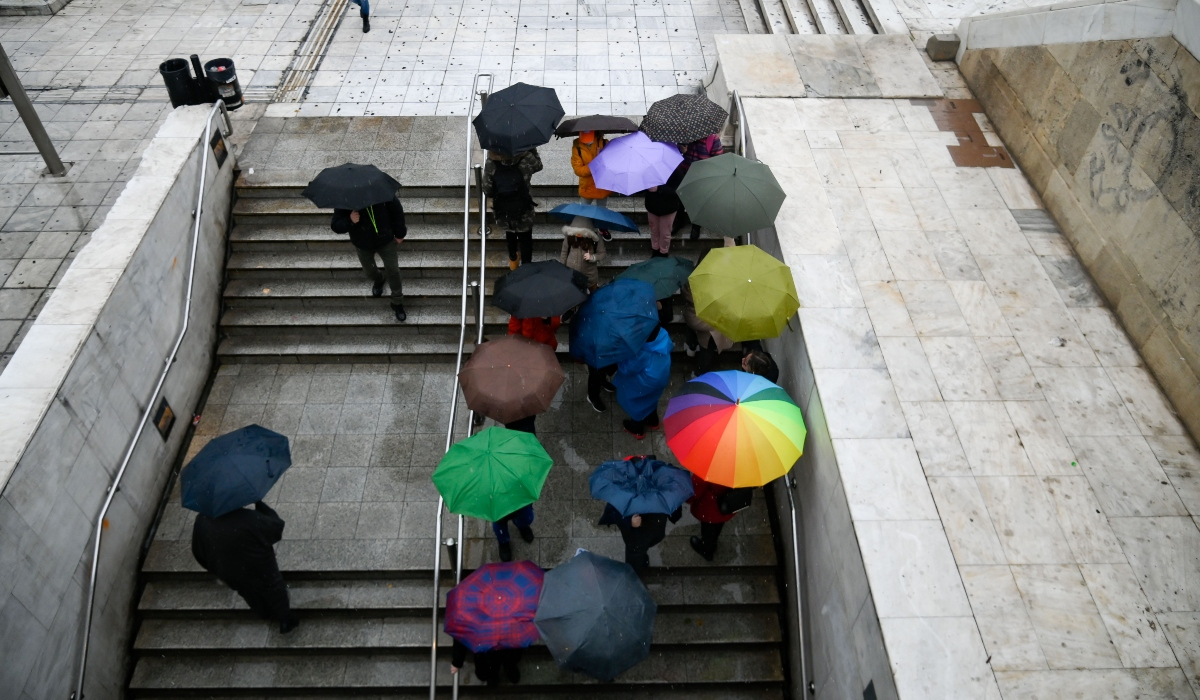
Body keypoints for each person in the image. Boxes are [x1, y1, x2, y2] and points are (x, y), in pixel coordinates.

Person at [191, 500, 299, 633]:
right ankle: (285, 620)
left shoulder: (202, 520)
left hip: (229, 571)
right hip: (258, 566)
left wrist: (214, 568)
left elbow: (198, 551)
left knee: (248, 592)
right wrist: (261, 506)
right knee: (274, 588)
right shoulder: (249, 519)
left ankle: (264, 613)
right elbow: (276, 527)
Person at [331, 194, 407, 322]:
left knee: (393, 270)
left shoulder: (380, 192)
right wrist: (349, 220)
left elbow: (397, 211)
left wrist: (400, 233)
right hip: (362, 244)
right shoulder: (345, 199)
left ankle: (397, 302)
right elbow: (335, 225)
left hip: (386, 240)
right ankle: (379, 279)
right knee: (369, 271)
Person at [484, 148, 543, 270]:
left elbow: (487, 190)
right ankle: (526, 267)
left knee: (510, 234)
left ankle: (513, 261)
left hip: (503, 210)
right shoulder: (525, 158)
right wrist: (531, 148)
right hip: (524, 209)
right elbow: (539, 166)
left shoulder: (491, 162)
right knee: (526, 239)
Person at [614, 325, 673, 439]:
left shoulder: (642, 352)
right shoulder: (663, 334)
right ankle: (653, 421)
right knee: (651, 399)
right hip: (661, 376)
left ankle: (637, 429)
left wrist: (619, 361)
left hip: (645, 383)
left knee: (637, 402)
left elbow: (628, 369)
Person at [599, 502, 682, 575]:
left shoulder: (663, 491)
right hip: (635, 537)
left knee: (641, 550)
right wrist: (629, 522)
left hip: (654, 531)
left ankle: (641, 562)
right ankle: (634, 572)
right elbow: (614, 512)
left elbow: (675, 509)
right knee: (635, 557)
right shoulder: (624, 491)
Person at [679, 133, 724, 240]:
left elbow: (718, 160)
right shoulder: (686, 135)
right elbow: (675, 153)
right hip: (685, 171)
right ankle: (679, 222)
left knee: (698, 202)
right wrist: (681, 150)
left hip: (701, 175)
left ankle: (696, 226)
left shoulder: (713, 139)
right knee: (681, 199)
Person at [570, 130, 612, 241]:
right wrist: (595, 164)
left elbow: (612, 161)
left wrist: (603, 158)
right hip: (587, 185)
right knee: (584, 209)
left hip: (602, 183)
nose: (586, 142)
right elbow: (578, 170)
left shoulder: (604, 143)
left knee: (602, 209)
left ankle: (602, 228)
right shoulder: (577, 148)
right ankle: (584, 229)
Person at [686, 474, 737, 561]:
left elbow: (694, 491)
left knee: (708, 530)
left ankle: (706, 550)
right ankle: (713, 542)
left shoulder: (707, 471)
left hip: (710, 509)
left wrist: (687, 499)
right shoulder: (738, 468)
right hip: (728, 506)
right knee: (718, 526)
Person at [642, 164, 685, 257]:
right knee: (654, 230)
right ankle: (655, 249)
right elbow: (641, 187)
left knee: (665, 233)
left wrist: (659, 189)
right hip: (653, 206)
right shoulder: (649, 170)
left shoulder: (676, 172)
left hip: (668, 208)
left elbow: (677, 190)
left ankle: (663, 252)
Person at [559, 215, 607, 290]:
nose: (578, 235)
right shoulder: (570, 237)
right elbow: (564, 252)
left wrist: (592, 257)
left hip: (590, 277)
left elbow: (602, 253)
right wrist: (562, 268)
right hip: (572, 274)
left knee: (593, 297)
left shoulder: (595, 238)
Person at [451, 640, 523, 685]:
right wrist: (457, 661)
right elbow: (462, 627)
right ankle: (494, 674)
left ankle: (509, 667)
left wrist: (457, 661)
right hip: (485, 650)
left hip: (508, 643)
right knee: (484, 672)